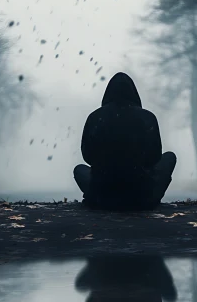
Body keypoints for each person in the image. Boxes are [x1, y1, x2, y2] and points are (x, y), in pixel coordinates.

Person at [73, 71, 176, 210]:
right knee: (169, 157)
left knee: (79, 170)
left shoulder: (95, 117)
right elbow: (155, 157)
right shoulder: (148, 117)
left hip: (103, 193)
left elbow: (87, 156)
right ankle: (148, 198)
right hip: (140, 195)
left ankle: (95, 197)